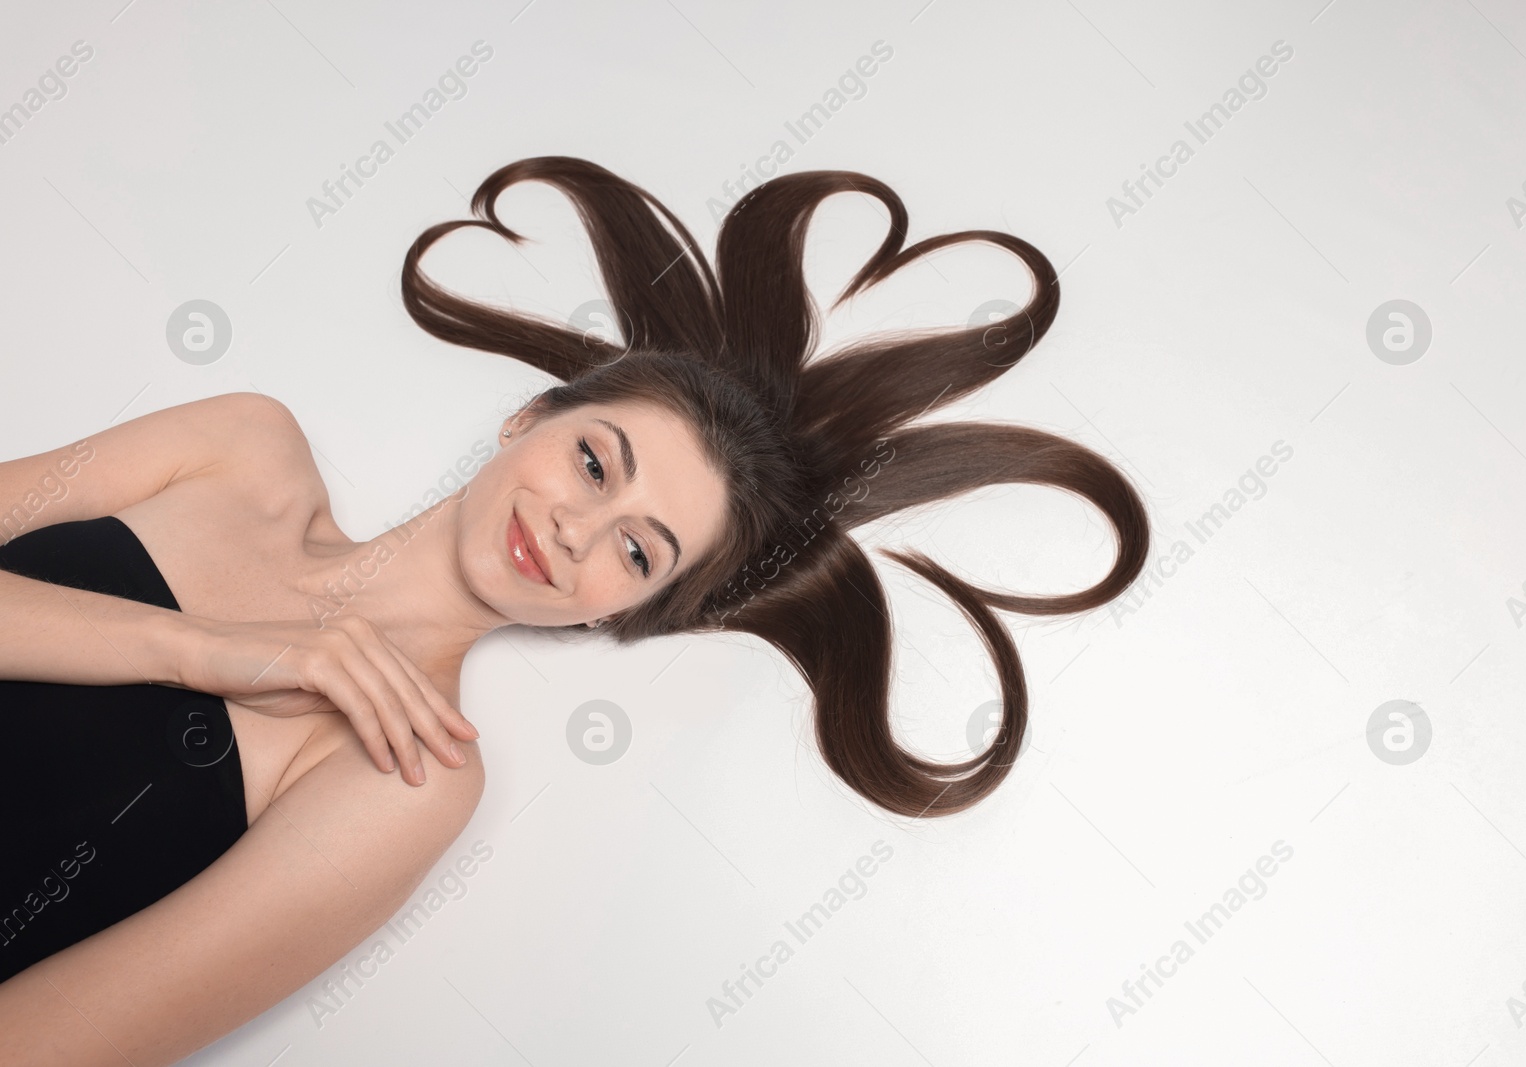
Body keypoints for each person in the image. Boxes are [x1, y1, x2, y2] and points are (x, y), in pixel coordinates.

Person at [0, 156, 1149, 1064]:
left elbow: (48, 1042)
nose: (574, 532)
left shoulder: (405, 769)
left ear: (622, 615)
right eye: (596, 465)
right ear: (528, 418)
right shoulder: (241, 449)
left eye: (636, 551)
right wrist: (189, 647)